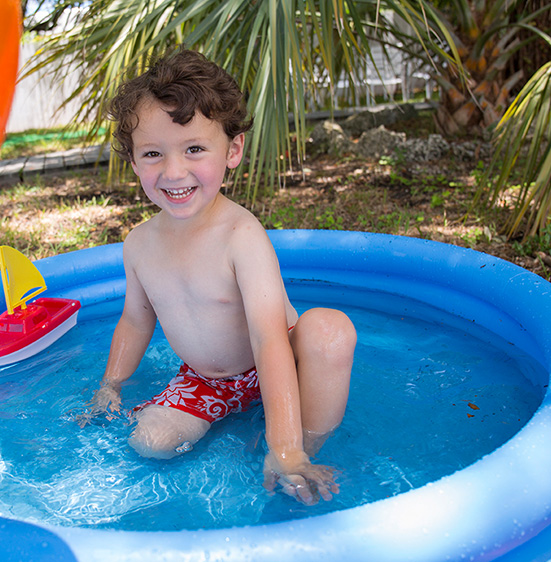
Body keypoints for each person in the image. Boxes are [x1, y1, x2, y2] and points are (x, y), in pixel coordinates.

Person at [79, 49, 356, 506]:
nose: (173, 171)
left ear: (232, 150)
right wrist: (111, 385)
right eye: (153, 154)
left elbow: (269, 340)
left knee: (330, 331)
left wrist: (285, 447)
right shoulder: (139, 245)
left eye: (193, 149)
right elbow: (134, 320)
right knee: (149, 443)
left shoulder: (240, 235)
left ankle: (303, 450)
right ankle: (259, 434)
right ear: (132, 161)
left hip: (283, 358)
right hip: (207, 380)